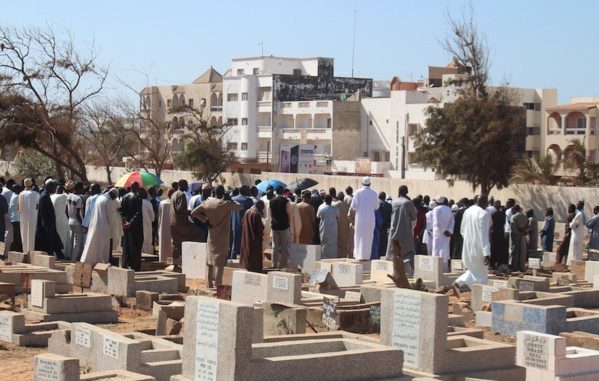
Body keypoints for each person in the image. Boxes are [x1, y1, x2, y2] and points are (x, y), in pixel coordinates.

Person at [191, 185, 242, 287]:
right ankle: (218, 285)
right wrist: (230, 199)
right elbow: (240, 206)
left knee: (209, 260)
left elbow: (193, 213)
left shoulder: (207, 203)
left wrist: (205, 221)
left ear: (213, 192)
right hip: (223, 237)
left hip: (211, 234)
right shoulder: (226, 204)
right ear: (223, 193)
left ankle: (208, 284)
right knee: (220, 262)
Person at [451, 195, 492, 293]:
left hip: (467, 246)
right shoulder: (484, 214)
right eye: (486, 201)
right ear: (483, 202)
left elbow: (462, 230)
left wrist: (469, 240)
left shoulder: (467, 211)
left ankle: (459, 282)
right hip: (479, 248)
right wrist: (486, 252)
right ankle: (481, 298)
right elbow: (484, 235)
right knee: (482, 273)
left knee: (473, 269)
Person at [170, 180, 206, 265]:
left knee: (177, 244)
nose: (187, 187)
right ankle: (196, 261)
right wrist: (189, 212)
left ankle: (175, 264)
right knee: (200, 233)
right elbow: (180, 209)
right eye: (186, 186)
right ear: (182, 185)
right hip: (181, 224)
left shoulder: (174, 194)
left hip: (173, 223)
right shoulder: (181, 194)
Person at [80, 189, 120, 266]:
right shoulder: (108, 201)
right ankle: (102, 262)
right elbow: (110, 217)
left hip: (95, 224)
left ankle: (89, 261)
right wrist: (114, 228)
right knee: (103, 246)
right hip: (104, 227)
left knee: (93, 244)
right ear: (113, 195)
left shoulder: (100, 198)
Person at [385, 185, 417, 269]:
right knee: (408, 253)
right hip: (405, 232)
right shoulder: (408, 203)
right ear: (406, 192)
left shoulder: (394, 202)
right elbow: (414, 217)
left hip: (394, 231)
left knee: (391, 252)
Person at [349, 177, 379, 260]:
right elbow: (376, 207)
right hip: (370, 218)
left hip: (360, 218)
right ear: (370, 183)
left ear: (362, 183)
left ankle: (358, 256)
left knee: (359, 236)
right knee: (368, 237)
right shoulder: (374, 193)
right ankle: (366, 256)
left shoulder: (358, 193)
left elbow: (353, 206)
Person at [35, 179, 64, 258]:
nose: (55, 189)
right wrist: (46, 228)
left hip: (49, 226)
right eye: (54, 187)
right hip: (47, 227)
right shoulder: (44, 196)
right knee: (51, 245)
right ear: (49, 186)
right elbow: (43, 214)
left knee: (54, 245)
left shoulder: (46, 195)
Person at [121, 182, 143, 271]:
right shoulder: (137, 198)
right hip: (135, 226)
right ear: (136, 188)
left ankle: (125, 264)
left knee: (126, 245)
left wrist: (125, 222)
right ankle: (134, 266)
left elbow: (122, 212)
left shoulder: (124, 197)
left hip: (126, 225)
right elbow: (138, 213)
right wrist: (130, 223)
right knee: (135, 246)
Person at [269, 186, 293, 268]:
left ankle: (274, 265)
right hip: (284, 226)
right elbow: (289, 214)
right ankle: (283, 266)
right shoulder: (286, 201)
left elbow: (271, 215)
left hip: (275, 226)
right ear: (283, 192)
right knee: (284, 247)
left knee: (274, 247)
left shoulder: (271, 201)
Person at [229, 185, 255, 259]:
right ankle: (243, 259)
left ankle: (232, 257)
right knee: (245, 242)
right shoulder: (248, 201)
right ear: (245, 191)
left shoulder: (232, 199)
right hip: (244, 224)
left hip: (233, 223)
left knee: (233, 241)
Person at [240, 200, 265, 273]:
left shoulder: (247, 211)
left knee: (247, 253)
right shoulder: (256, 214)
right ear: (259, 206)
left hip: (246, 236)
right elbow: (259, 229)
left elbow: (242, 223)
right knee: (254, 256)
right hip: (255, 239)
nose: (262, 210)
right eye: (262, 208)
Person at [432, 196, 454, 271]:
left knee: (437, 251)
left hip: (438, 233)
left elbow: (437, 222)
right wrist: (449, 231)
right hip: (447, 234)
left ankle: (437, 269)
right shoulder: (449, 209)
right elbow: (452, 221)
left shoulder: (436, 209)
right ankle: (445, 269)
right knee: (445, 251)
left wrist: (443, 231)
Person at [18, 178, 39, 254]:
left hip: (23, 217)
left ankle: (25, 252)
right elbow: (38, 205)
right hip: (33, 216)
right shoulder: (36, 194)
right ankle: (31, 252)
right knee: (31, 233)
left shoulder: (20, 194)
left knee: (24, 232)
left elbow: (19, 208)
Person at [66, 182, 84, 260]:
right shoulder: (79, 198)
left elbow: (66, 210)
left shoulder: (69, 196)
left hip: (70, 220)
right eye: (82, 188)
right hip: (77, 222)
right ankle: (74, 258)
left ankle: (69, 255)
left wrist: (69, 218)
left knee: (71, 240)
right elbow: (77, 214)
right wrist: (82, 223)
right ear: (79, 189)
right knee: (77, 242)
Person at [317, 194, 339, 259]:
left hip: (324, 228)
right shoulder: (335, 209)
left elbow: (318, 216)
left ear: (324, 200)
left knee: (324, 243)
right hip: (333, 229)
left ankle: (324, 258)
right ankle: (333, 258)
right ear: (331, 200)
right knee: (333, 244)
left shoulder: (321, 208)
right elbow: (338, 217)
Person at [490, 200, 509, 268]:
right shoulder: (503, 214)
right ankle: (499, 263)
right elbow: (505, 223)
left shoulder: (493, 215)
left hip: (494, 233)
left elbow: (491, 225)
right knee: (500, 249)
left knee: (493, 249)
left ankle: (492, 264)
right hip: (501, 233)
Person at [50, 185, 69, 253]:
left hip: (54, 220)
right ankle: (62, 253)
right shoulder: (64, 196)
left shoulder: (51, 196)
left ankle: (55, 253)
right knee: (63, 237)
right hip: (62, 220)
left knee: (55, 237)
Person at [510, 205, 528, 271]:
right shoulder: (525, 217)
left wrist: (517, 233)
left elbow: (513, 227)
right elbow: (527, 227)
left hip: (516, 236)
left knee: (515, 251)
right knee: (522, 251)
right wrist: (524, 232)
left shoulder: (513, 217)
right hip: (523, 235)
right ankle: (521, 267)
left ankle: (514, 266)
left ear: (514, 209)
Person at [332, 191, 351, 258]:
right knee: (344, 243)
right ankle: (344, 256)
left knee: (337, 243)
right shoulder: (347, 205)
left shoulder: (334, 205)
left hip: (336, 226)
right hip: (345, 226)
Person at [568, 200, 586, 265]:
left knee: (575, 250)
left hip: (576, 234)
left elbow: (573, 224)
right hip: (578, 233)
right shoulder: (581, 213)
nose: (577, 205)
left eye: (578, 204)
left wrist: (570, 224)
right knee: (577, 249)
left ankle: (574, 264)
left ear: (581, 206)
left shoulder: (579, 214)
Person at [158, 189, 173, 262]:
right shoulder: (174, 203)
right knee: (171, 243)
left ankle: (162, 259)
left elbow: (159, 215)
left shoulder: (162, 203)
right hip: (172, 226)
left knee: (163, 243)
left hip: (163, 226)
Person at [140, 188, 155, 254]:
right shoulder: (148, 203)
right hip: (147, 224)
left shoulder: (136, 201)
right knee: (147, 239)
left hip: (138, 224)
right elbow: (152, 217)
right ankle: (147, 254)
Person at [378, 192, 392, 259]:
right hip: (385, 228)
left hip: (378, 228)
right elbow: (390, 218)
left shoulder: (377, 205)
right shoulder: (389, 206)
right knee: (384, 245)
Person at [8, 184, 22, 252]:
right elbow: (20, 208)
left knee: (16, 237)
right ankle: (15, 251)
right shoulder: (17, 197)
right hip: (17, 219)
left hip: (14, 218)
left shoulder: (13, 195)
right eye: (19, 188)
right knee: (17, 237)